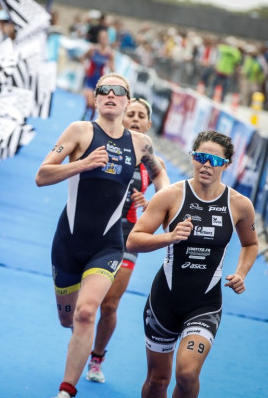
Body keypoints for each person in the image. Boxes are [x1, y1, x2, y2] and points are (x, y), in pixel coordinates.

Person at [35, 74, 169, 398]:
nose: (111, 94)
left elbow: (160, 173)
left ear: (127, 99)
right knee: (68, 319)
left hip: (109, 244)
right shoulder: (80, 131)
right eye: (103, 90)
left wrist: (162, 205)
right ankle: (78, 342)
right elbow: (42, 175)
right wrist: (82, 164)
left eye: (118, 90)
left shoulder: (140, 144)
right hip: (69, 242)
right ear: (95, 99)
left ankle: (66, 390)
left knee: (87, 312)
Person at [126, 130, 258, 398]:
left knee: (187, 374)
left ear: (226, 165)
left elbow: (250, 244)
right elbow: (133, 240)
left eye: (214, 160)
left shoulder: (239, 205)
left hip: (205, 304)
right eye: (200, 157)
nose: (206, 165)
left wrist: (241, 273)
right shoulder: (171, 195)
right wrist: (170, 236)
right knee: (157, 380)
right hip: (164, 301)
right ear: (193, 158)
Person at [86, 97, 167, 383]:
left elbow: (167, 197)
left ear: (149, 124)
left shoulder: (153, 163)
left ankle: (97, 358)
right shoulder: (105, 147)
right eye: (130, 113)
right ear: (121, 117)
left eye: (140, 116)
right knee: (81, 305)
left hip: (126, 236)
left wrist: (151, 202)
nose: (134, 119)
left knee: (109, 304)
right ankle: (80, 331)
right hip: (93, 229)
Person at [81, 29, 114, 121]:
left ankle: (90, 119)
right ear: (99, 39)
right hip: (90, 79)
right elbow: (82, 57)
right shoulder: (93, 49)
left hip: (100, 82)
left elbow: (113, 68)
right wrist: (85, 66)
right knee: (89, 103)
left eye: (105, 38)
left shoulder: (109, 53)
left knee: (94, 106)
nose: (103, 40)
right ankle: (85, 114)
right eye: (102, 38)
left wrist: (111, 68)